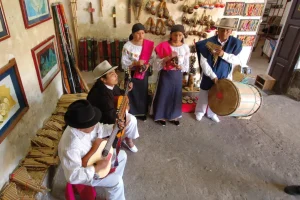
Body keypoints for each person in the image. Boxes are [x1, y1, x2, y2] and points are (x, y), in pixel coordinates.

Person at [58, 100, 127, 200]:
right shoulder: (70, 147)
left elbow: (101, 128)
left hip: (95, 155)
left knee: (122, 156)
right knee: (117, 181)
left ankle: (111, 186)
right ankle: (114, 185)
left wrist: (114, 127)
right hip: (86, 169)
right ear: (80, 128)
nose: (95, 125)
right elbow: (72, 176)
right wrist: (95, 168)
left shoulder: (86, 124)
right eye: (92, 124)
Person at [194, 18, 243, 123]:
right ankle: (200, 112)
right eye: (222, 30)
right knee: (204, 93)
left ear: (231, 32)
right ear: (218, 30)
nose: (225, 33)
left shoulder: (235, 43)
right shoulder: (208, 42)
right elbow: (203, 62)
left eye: (227, 30)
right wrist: (213, 76)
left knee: (219, 96)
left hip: (224, 75)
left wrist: (223, 54)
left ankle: (212, 113)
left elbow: (237, 60)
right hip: (209, 74)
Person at [87, 60, 139, 153]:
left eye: (115, 72)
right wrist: (125, 110)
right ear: (103, 79)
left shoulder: (110, 84)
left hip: (111, 112)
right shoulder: (102, 95)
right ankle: (125, 141)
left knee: (131, 120)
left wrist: (126, 90)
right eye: (112, 74)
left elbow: (117, 94)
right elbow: (111, 117)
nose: (116, 75)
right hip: (102, 121)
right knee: (132, 120)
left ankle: (128, 140)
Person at [151, 24, 190, 126]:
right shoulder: (163, 46)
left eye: (180, 35)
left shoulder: (185, 47)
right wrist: (167, 58)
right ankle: (161, 116)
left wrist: (181, 67)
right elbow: (156, 63)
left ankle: (173, 116)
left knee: (175, 95)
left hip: (177, 75)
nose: (177, 38)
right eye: (175, 35)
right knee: (164, 94)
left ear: (183, 36)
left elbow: (186, 64)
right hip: (166, 74)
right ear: (171, 35)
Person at [121, 23, 154, 121]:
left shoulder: (148, 45)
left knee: (142, 92)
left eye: (143, 33)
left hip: (143, 72)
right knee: (131, 91)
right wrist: (135, 63)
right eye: (138, 33)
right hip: (131, 72)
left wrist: (147, 65)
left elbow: (152, 58)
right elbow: (124, 62)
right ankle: (130, 112)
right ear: (133, 34)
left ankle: (141, 112)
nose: (141, 36)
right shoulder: (127, 46)